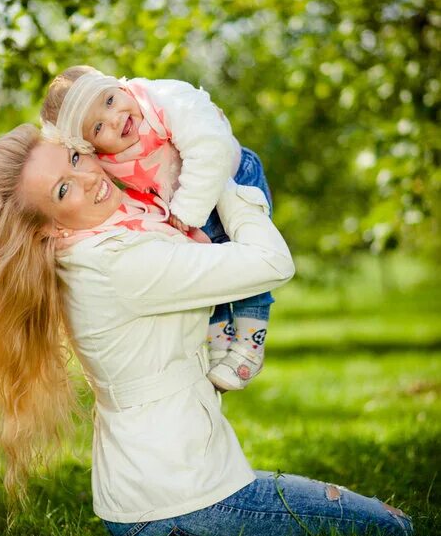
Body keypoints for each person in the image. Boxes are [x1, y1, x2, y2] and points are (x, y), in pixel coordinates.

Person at [0, 125, 413, 536]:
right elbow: (271, 263)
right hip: (187, 493)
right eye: (64, 189)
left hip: (137, 502)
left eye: (77, 159)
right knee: (395, 531)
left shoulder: (94, 249)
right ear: (49, 227)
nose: (87, 179)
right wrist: (219, 175)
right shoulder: (123, 264)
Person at [40, 65, 275, 392]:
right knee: (208, 273)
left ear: (120, 87)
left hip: (230, 180)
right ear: (89, 146)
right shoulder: (105, 161)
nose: (114, 118)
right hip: (185, 203)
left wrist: (188, 209)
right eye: (97, 126)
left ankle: (249, 348)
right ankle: (221, 345)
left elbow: (210, 145)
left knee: (249, 276)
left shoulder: (166, 98)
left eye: (109, 101)